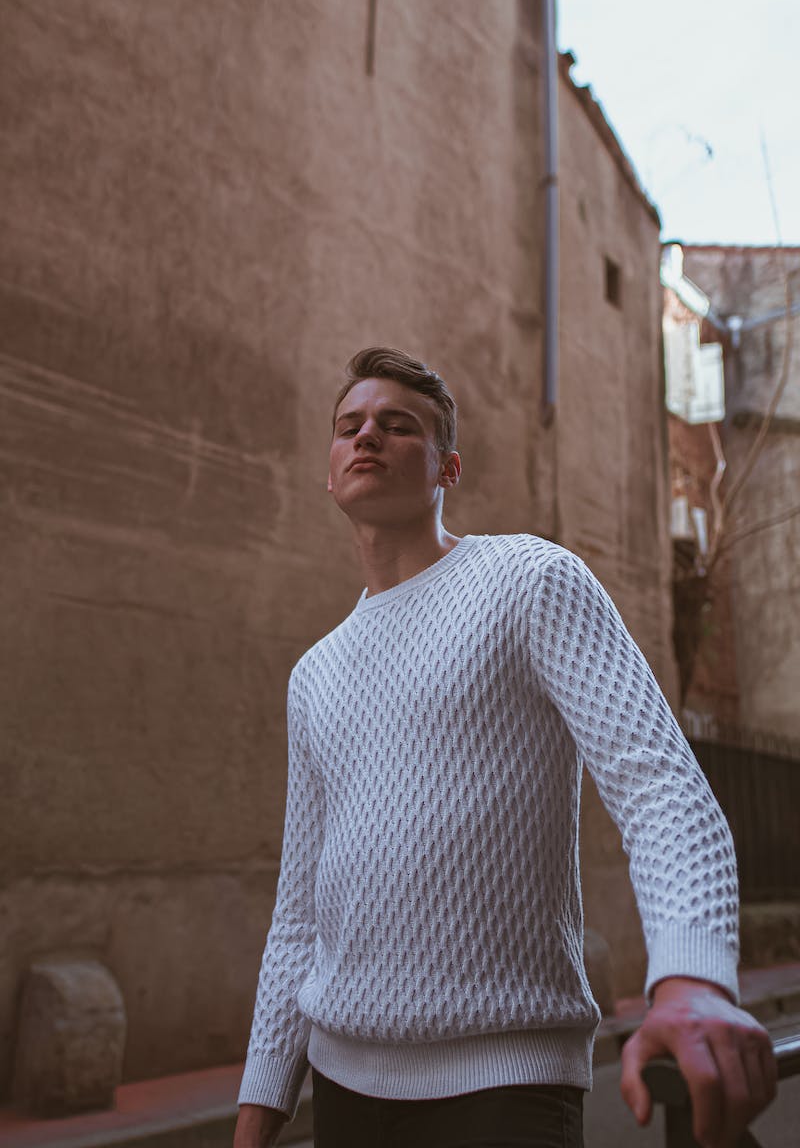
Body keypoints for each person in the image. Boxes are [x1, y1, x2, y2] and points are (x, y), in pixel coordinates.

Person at [234, 348, 776, 1148]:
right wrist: (257, 1110)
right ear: (330, 470)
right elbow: (299, 913)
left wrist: (692, 980)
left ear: (447, 466)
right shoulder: (313, 675)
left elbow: (656, 780)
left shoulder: (528, 581)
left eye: (397, 425)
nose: (368, 437)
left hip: (505, 1089)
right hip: (342, 1089)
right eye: (350, 427)